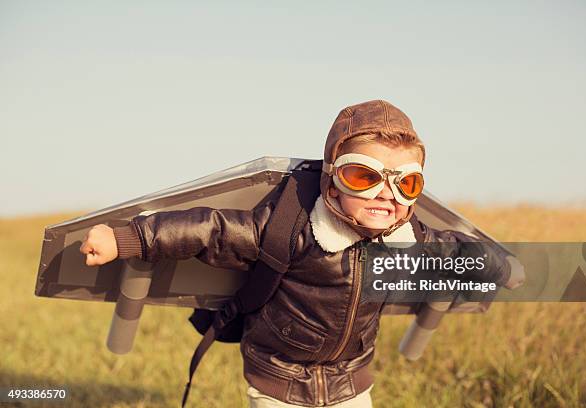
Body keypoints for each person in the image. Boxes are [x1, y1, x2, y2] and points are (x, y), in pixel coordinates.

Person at [80, 100, 512, 407]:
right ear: (331, 179)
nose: (386, 193)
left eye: (407, 183)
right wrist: (126, 239)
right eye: (363, 176)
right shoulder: (289, 228)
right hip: (277, 377)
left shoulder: (409, 238)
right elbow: (209, 230)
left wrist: (502, 265)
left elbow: (454, 253)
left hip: (351, 380)